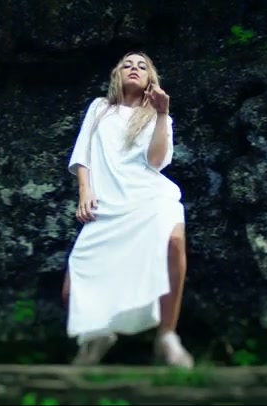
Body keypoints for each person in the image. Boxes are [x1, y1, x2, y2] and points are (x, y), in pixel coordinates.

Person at [60, 51, 193, 368]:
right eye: (126, 65)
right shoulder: (100, 108)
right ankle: (99, 335)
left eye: (141, 66)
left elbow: (156, 162)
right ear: (116, 75)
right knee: (71, 289)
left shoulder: (158, 116)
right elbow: (83, 153)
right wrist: (85, 191)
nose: (134, 68)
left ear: (150, 79)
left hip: (150, 199)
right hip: (108, 206)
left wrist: (161, 114)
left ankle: (167, 335)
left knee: (174, 242)